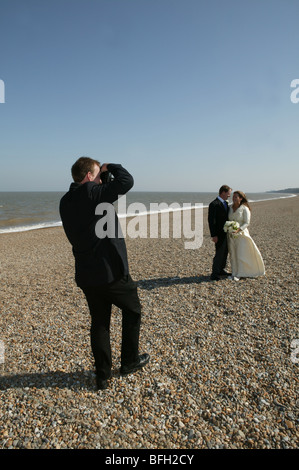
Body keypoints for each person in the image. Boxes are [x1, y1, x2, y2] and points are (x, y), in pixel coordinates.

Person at [59, 157, 149, 390]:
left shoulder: (65, 201)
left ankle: (103, 375)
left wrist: (101, 179)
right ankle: (129, 361)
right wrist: (111, 167)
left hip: (86, 274)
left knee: (99, 322)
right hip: (110, 272)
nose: (101, 179)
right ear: (89, 176)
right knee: (133, 310)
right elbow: (126, 181)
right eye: (98, 175)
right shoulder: (92, 192)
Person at [227, 191, 265, 281]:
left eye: (236, 197)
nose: (234, 198)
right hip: (230, 235)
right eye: (233, 197)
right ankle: (234, 272)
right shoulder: (230, 208)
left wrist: (238, 229)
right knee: (233, 253)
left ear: (241, 198)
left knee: (240, 253)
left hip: (241, 234)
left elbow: (247, 222)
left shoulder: (245, 208)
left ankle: (240, 273)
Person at [208, 185, 232, 280]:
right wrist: (213, 235)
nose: (229, 196)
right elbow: (211, 221)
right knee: (219, 253)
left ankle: (221, 269)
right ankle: (214, 274)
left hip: (226, 233)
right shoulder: (214, 204)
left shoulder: (225, 203)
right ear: (223, 192)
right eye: (228, 194)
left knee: (225, 252)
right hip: (218, 234)